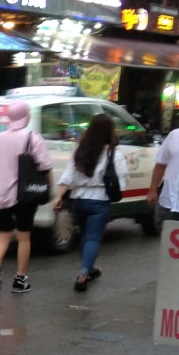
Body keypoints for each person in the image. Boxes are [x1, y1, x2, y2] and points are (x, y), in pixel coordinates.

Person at [50, 113, 129, 292]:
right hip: (100, 202)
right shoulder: (115, 154)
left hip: (80, 201)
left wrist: (59, 196)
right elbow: (122, 181)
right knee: (93, 238)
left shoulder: (80, 151)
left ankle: (90, 268)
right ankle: (83, 272)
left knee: (86, 236)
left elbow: (68, 177)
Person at [0, 100, 53, 293]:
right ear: (26, 116)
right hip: (24, 194)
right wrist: (50, 187)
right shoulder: (33, 138)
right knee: (23, 237)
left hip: (0, 194)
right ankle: (20, 279)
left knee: (4, 235)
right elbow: (45, 166)